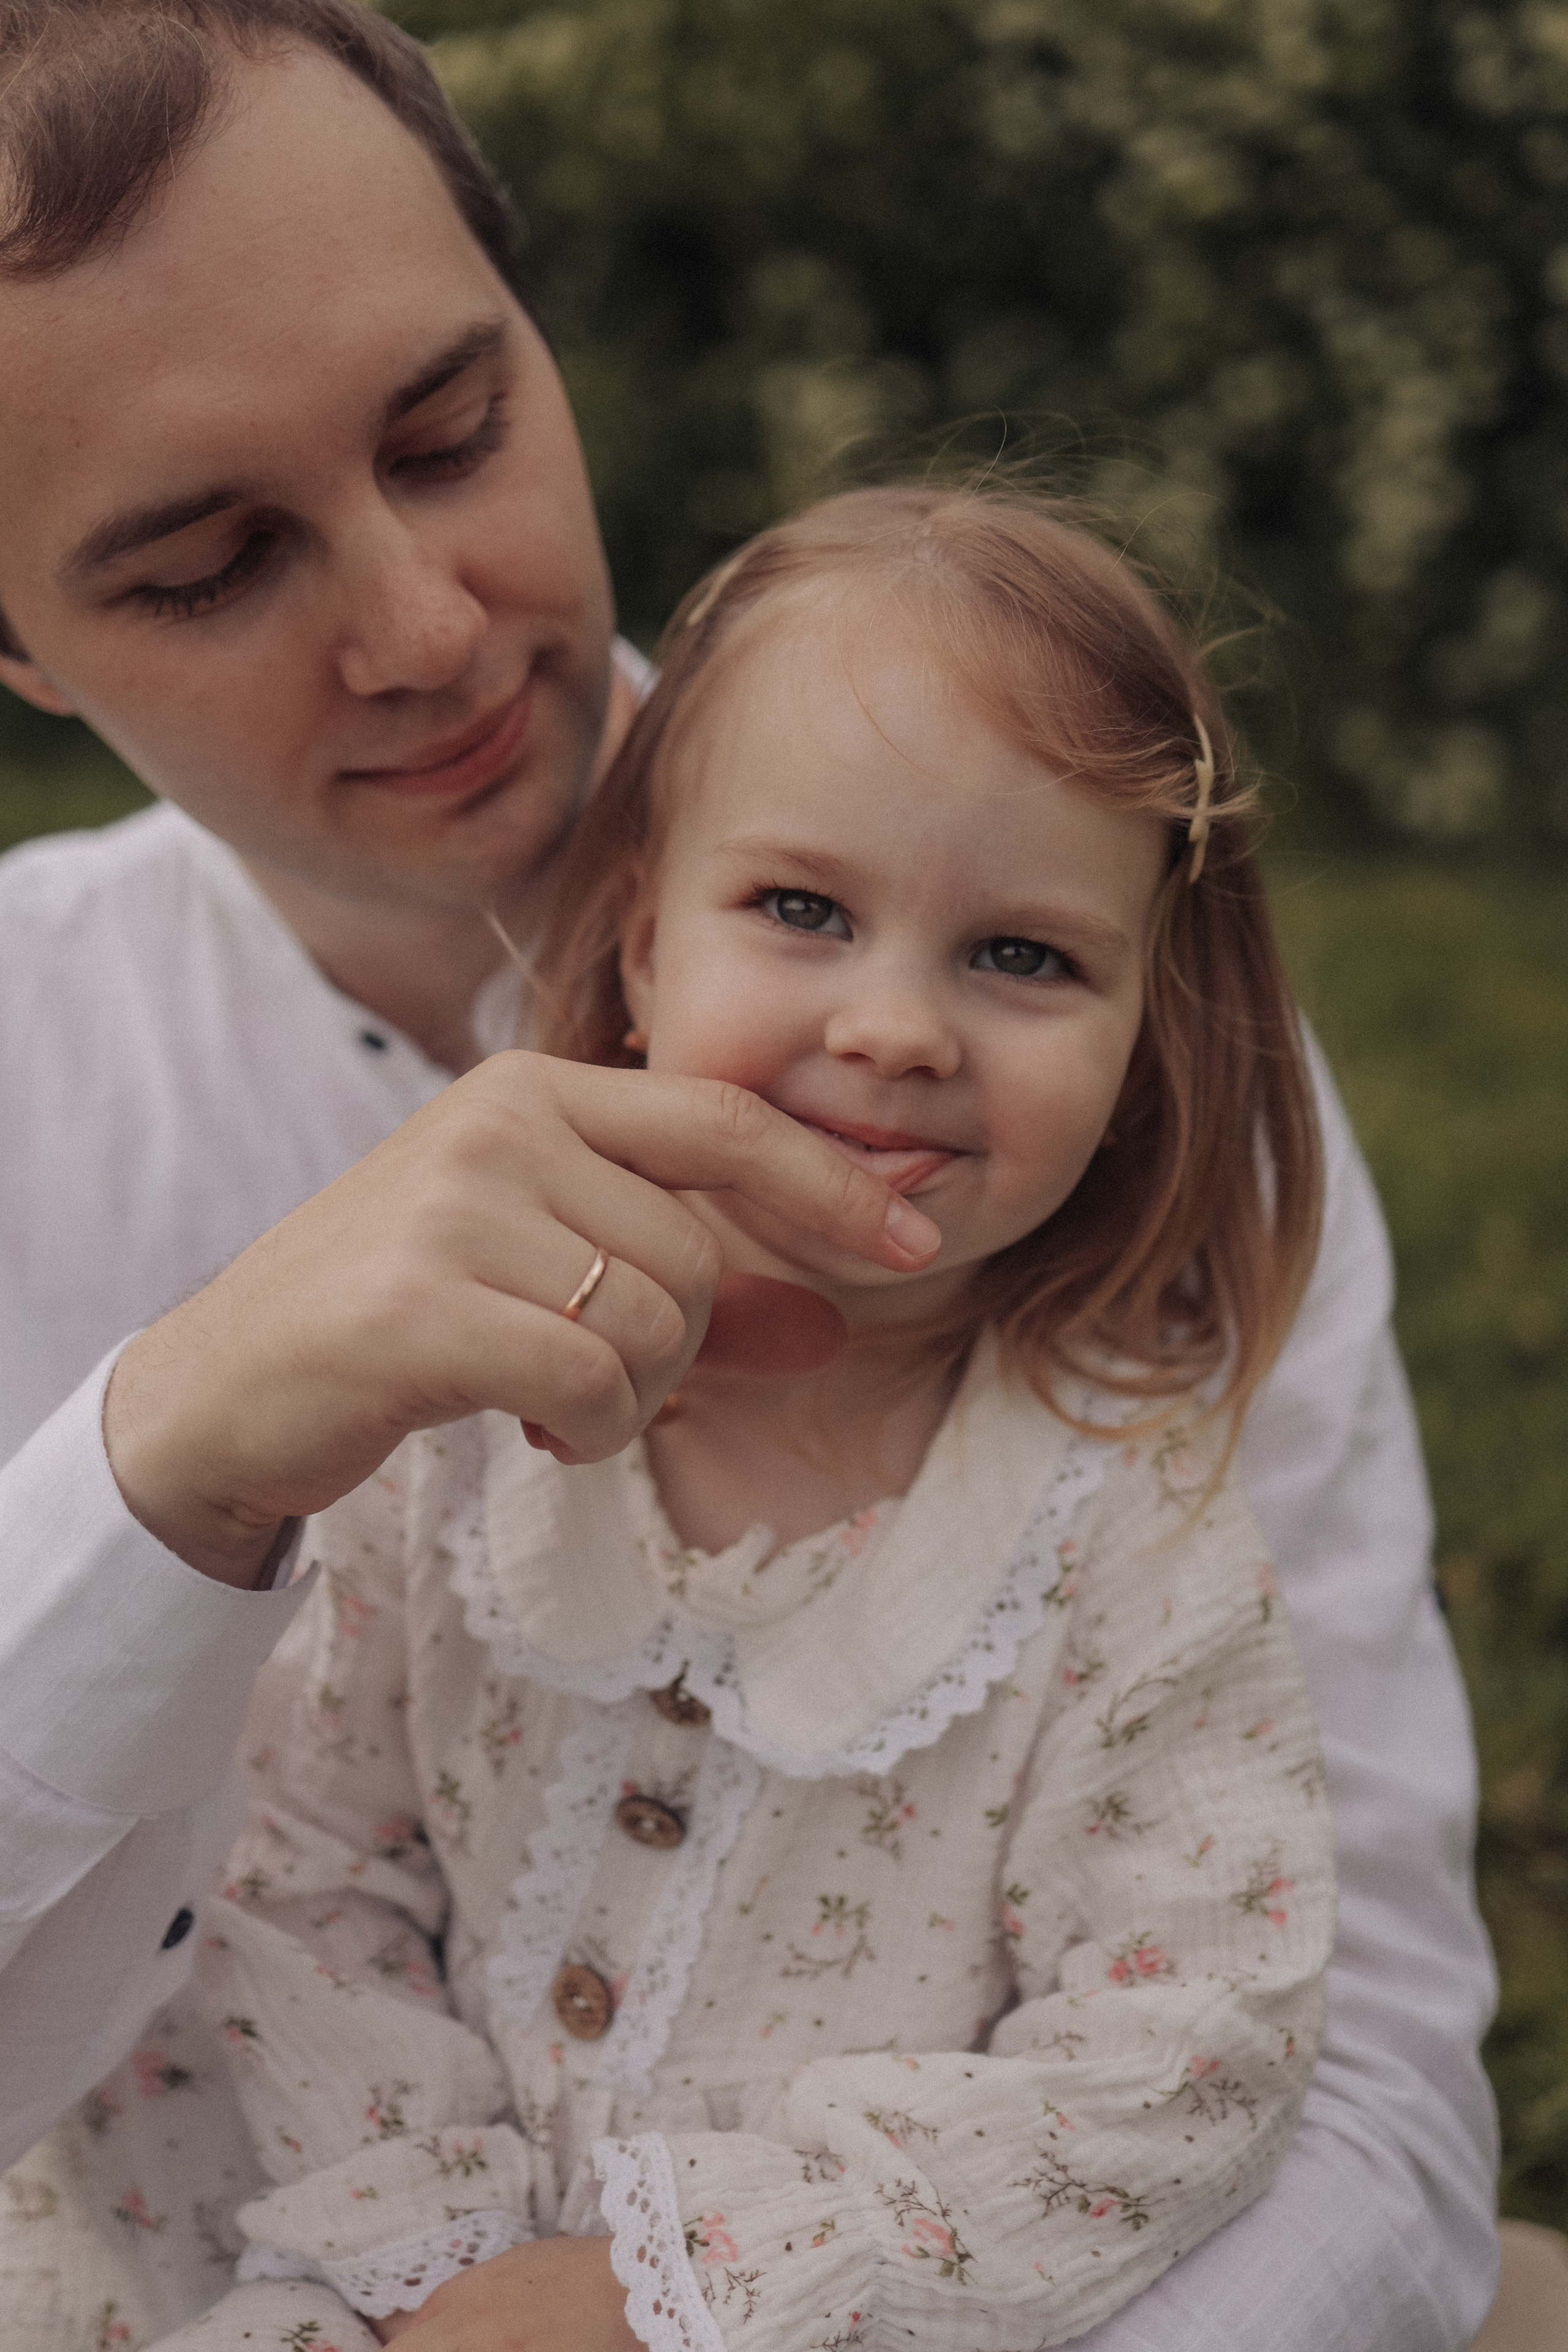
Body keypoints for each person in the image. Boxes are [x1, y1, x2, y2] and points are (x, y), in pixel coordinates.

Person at [0, 6, 1498, 2350]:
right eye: (206, 563)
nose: (422, 628)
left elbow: (1359, 2088)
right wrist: (163, 1469)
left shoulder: (1121, 1097)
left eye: (452, 430)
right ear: (17, 644)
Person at [86, 483, 1338, 2352]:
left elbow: (1180, 2056)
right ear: (649, 946)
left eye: (1023, 956)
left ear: (1145, 1033)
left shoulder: (1128, 1541)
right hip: (320, 2260)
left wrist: (670, 2297)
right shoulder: (465, 1406)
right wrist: (432, 2266)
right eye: (803, 909)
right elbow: (291, 1868)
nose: (899, 1027)